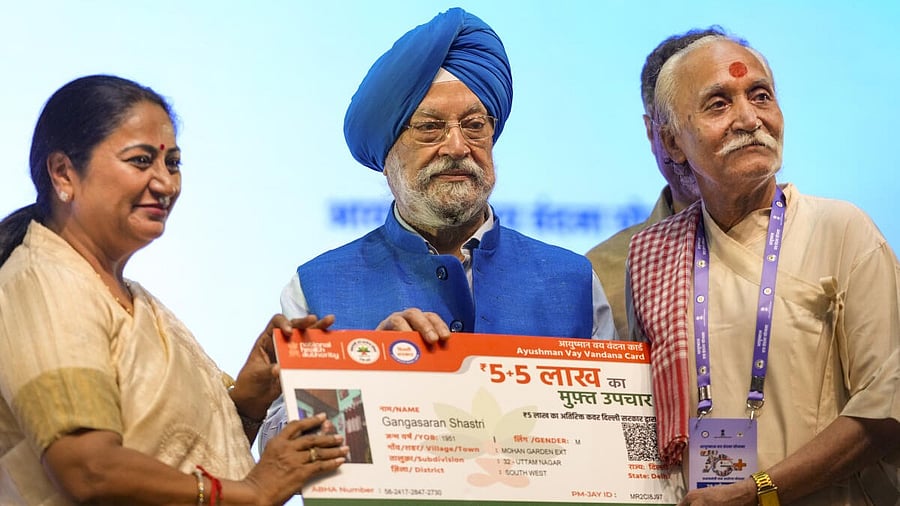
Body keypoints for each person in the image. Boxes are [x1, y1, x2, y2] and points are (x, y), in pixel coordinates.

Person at [260, 7, 616, 448]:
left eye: (474, 125)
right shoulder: (315, 287)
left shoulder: (573, 281)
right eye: (429, 128)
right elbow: (276, 447)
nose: (457, 146)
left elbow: (609, 441)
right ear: (386, 157)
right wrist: (363, 374)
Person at [0, 75, 348, 505]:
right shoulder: (44, 286)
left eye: (173, 163)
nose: (165, 183)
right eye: (141, 161)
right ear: (63, 173)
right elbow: (89, 470)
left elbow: (173, 455)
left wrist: (248, 402)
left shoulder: (136, 299)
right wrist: (252, 492)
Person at [627, 34, 900, 505]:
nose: (750, 119)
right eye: (718, 104)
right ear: (672, 141)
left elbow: (887, 408)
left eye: (761, 96)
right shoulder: (653, 254)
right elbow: (641, 415)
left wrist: (759, 493)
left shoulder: (840, 229)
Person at [586, 27, 728, 339]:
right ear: (654, 134)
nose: (690, 140)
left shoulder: (817, 239)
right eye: (673, 125)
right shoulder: (601, 274)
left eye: (718, 107)